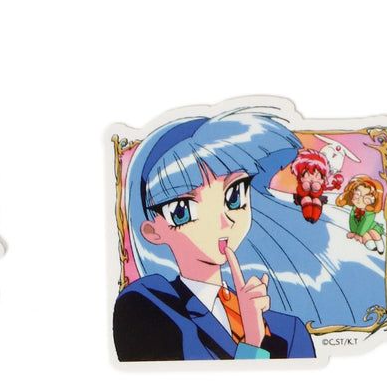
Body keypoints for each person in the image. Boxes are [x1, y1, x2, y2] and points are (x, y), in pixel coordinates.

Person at [113, 111, 316, 360]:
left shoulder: (289, 332)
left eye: (234, 196)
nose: (223, 220)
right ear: (153, 232)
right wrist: (252, 343)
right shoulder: (147, 306)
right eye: (183, 210)